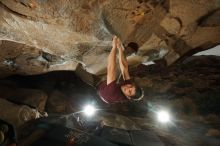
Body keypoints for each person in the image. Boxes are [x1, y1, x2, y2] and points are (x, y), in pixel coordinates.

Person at [98, 36, 144, 104]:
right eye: (131, 86)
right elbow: (125, 68)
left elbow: (111, 69)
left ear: (128, 97)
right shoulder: (129, 86)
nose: (128, 87)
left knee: (110, 70)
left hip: (100, 88)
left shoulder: (113, 93)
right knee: (121, 71)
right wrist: (119, 48)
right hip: (110, 84)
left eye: (129, 91)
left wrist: (114, 47)